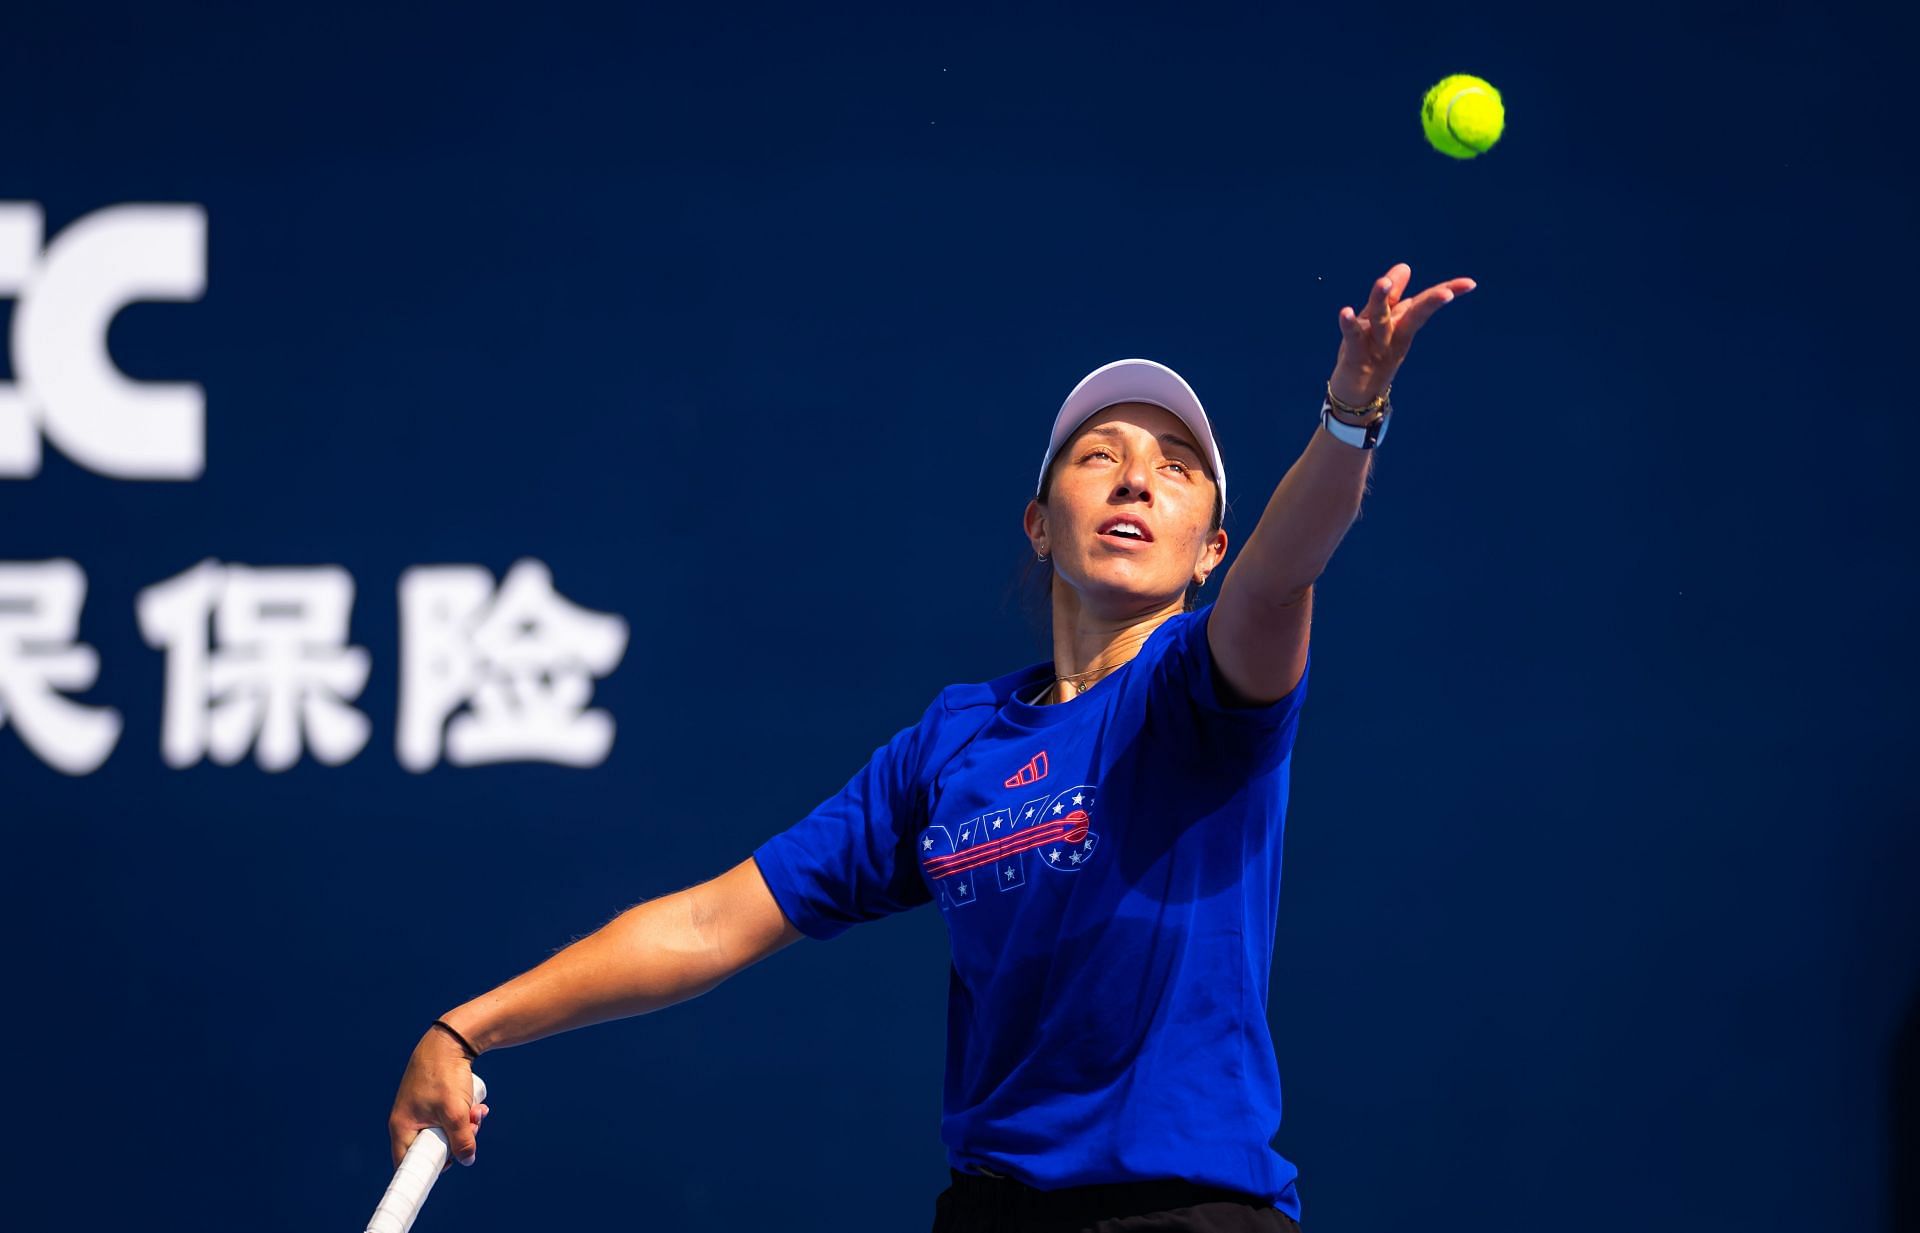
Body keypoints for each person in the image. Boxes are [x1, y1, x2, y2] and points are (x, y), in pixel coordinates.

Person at [386, 263, 1475, 1232]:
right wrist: (468, 1027)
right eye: (1100, 457)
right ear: (1041, 524)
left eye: (1178, 469)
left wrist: (1351, 413)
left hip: (1190, 1215)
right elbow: (715, 922)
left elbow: (1286, 569)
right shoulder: (954, 743)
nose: (1138, 479)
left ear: (1209, 553)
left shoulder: (1208, 681)